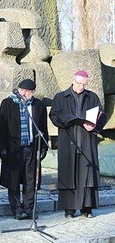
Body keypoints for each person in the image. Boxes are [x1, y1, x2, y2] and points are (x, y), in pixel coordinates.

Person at [49, 70, 107, 219]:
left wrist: (94, 125)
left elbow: (101, 114)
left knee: (87, 176)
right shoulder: (60, 97)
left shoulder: (92, 97)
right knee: (69, 175)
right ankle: (69, 209)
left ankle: (86, 208)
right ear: (73, 80)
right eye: (79, 83)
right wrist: (72, 119)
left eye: (84, 84)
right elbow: (55, 116)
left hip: (87, 141)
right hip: (69, 141)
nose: (82, 87)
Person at [0, 79, 48, 220]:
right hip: (14, 148)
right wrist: (3, 148)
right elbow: (2, 127)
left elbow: (43, 127)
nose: (23, 94)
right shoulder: (7, 103)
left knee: (30, 179)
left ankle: (29, 208)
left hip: (31, 147)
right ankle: (17, 209)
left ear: (33, 92)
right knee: (13, 179)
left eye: (27, 91)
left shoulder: (39, 105)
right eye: (21, 90)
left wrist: (43, 147)